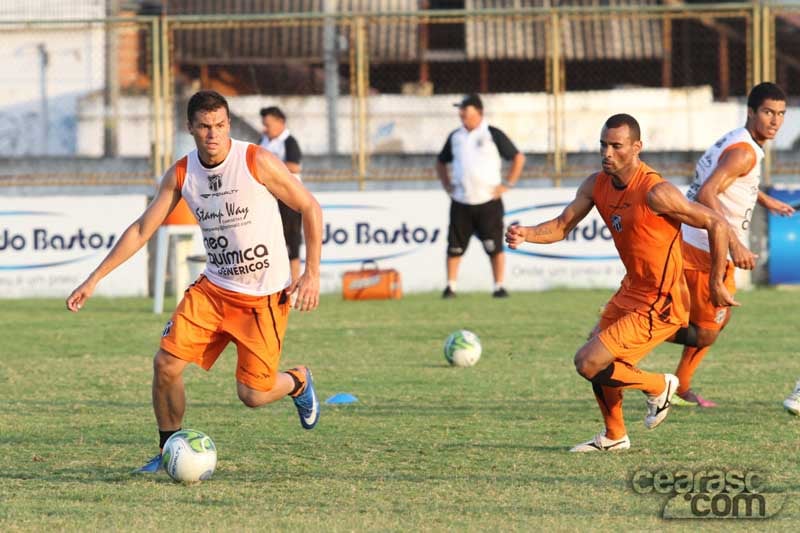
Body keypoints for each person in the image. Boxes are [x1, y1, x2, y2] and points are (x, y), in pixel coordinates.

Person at [66, 90, 323, 472]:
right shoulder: (182, 173)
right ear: (190, 128)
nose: (213, 134)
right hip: (214, 290)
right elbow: (141, 229)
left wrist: (312, 273)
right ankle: (169, 449)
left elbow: (309, 206)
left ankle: (299, 381)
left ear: (229, 125)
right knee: (166, 364)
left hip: (262, 297)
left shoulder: (256, 161)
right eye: (204, 127)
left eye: (220, 125)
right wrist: (94, 278)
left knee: (252, 394)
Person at [505, 113, 735, 452]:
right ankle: (615, 436)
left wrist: (716, 282)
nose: (607, 153)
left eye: (616, 146)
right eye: (603, 145)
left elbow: (717, 224)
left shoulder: (656, 192)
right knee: (595, 354)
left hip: (661, 300)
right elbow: (561, 226)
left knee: (588, 361)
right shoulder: (596, 184)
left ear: (637, 147)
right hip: (631, 290)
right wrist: (527, 234)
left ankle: (659, 385)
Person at [671, 82, 795, 408]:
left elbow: (734, 181)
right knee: (708, 330)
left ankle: (680, 384)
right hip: (704, 246)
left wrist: (765, 200)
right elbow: (707, 193)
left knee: (715, 321)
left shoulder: (738, 141)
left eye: (781, 114)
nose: (775, 121)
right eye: (768, 112)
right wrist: (736, 243)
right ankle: (627, 328)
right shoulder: (744, 152)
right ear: (751, 111)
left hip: (695, 240)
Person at [436, 93, 526, 299]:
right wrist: (447, 185)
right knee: (454, 247)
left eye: (465, 110)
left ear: (479, 112)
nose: (461, 114)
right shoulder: (455, 136)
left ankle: (499, 286)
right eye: (460, 110)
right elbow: (441, 161)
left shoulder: (492, 134)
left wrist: (507, 184)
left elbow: (518, 158)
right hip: (461, 201)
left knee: (494, 246)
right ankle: (450, 287)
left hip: (488, 202)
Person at [259, 106, 304, 283]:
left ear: (280, 123)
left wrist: (270, 168)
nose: (265, 128)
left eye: (267, 124)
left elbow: (295, 166)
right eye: (263, 124)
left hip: (289, 198)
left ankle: (294, 284)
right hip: (268, 198)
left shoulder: (289, 141)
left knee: (291, 241)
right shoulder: (262, 141)